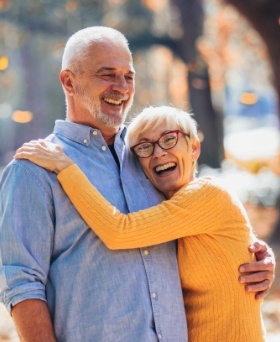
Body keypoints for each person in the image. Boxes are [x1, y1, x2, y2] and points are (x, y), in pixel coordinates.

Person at [0, 26, 275, 342]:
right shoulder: (34, 169)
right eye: (107, 75)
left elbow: (200, 221)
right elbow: (23, 285)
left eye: (128, 76)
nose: (121, 87)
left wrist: (254, 255)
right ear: (69, 81)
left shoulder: (149, 156)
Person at [15, 106, 268, 341]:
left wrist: (65, 167)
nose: (159, 153)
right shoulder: (166, 210)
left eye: (169, 139)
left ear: (194, 149)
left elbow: (119, 231)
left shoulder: (209, 194)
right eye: (145, 147)